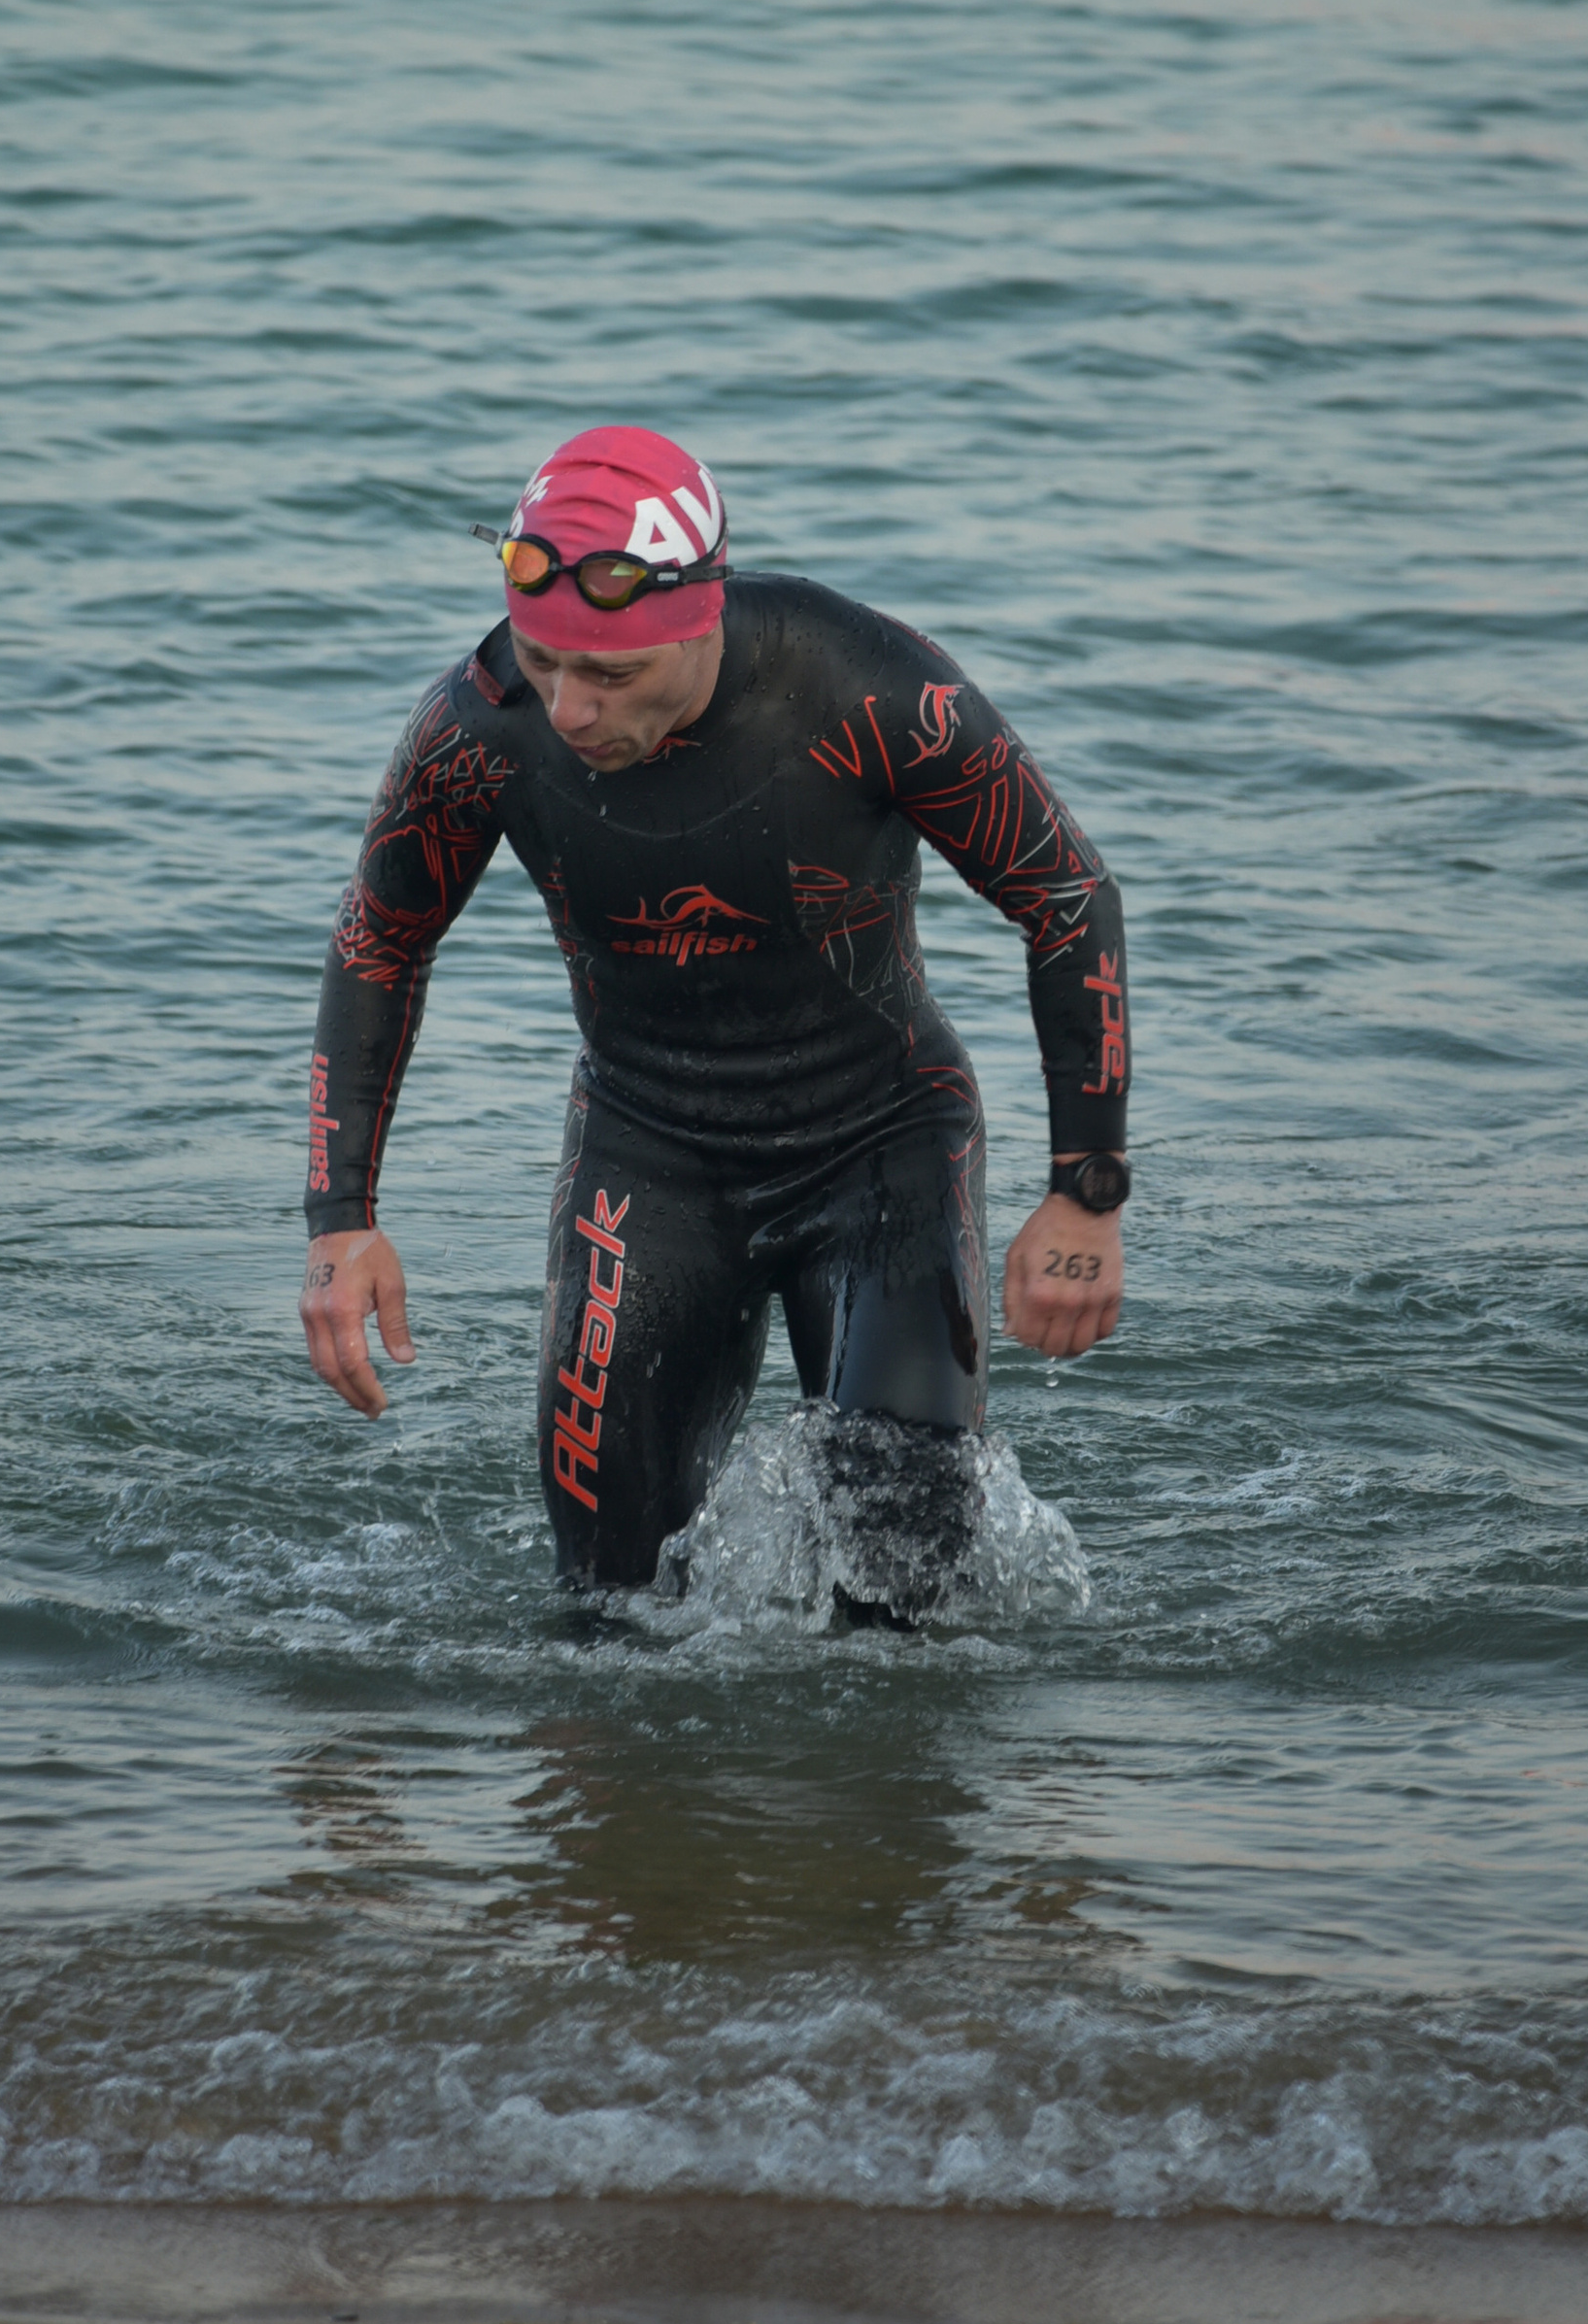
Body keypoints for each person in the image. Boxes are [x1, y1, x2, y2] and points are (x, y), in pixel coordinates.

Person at [300, 422, 1130, 1614]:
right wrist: (341, 1221)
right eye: (545, 662)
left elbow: (1066, 897)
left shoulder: (869, 686)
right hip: (648, 1158)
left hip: (878, 1153)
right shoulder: (477, 729)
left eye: (610, 676)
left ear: (701, 617)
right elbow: (379, 938)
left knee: (901, 1603)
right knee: (603, 1605)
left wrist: (1083, 1192)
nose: (570, 710)